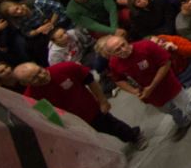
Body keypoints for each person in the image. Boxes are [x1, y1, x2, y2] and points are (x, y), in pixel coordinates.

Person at [95, 35, 191, 146]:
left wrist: (151, 87)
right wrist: (135, 91)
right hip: (151, 94)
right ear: (111, 54)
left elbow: (166, 63)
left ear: (126, 41)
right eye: (117, 50)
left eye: (123, 45)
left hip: (168, 85)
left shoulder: (146, 47)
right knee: (169, 110)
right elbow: (118, 80)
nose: (123, 50)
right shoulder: (114, 63)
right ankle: (183, 122)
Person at [14, 61, 148, 150]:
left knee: (113, 126)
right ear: (25, 83)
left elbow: (90, 80)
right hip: (72, 124)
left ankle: (134, 136)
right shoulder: (30, 97)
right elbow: (45, 116)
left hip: (91, 110)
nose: (41, 76)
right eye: (34, 78)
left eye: (40, 71)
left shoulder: (65, 68)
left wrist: (102, 100)